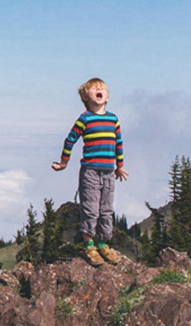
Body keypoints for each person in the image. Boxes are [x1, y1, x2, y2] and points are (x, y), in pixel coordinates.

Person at [52, 78, 129, 266]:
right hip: (90, 172)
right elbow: (69, 140)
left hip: (109, 172)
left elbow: (118, 143)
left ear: (108, 97)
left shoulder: (113, 119)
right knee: (91, 209)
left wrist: (120, 166)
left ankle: (103, 243)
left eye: (102, 88)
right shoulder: (84, 119)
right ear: (86, 97)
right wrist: (64, 163)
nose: (99, 90)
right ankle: (89, 246)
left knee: (106, 209)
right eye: (95, 89)